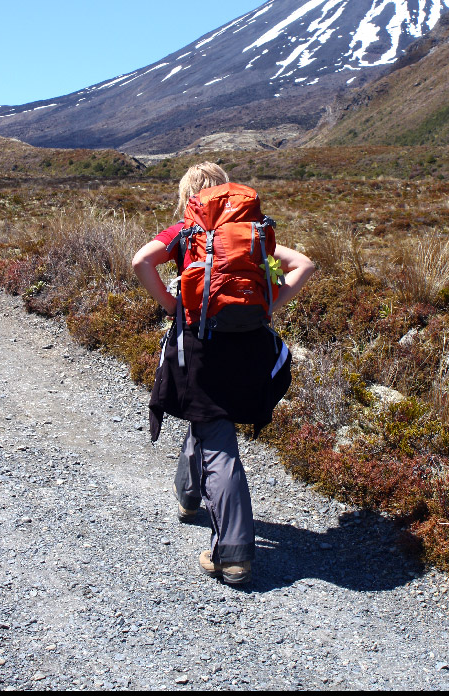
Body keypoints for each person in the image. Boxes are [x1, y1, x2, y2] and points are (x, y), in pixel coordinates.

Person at [132, 162, 315, 585]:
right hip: (248, 343)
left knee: (217, 440)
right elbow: (303, 265)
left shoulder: (185, 232)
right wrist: (271, 304)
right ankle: (189, 496)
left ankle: (232, 553)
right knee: (208, 420)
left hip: (201, 347)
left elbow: (142, 261)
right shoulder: (251, 234)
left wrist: (171, 304)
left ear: (189, 196)